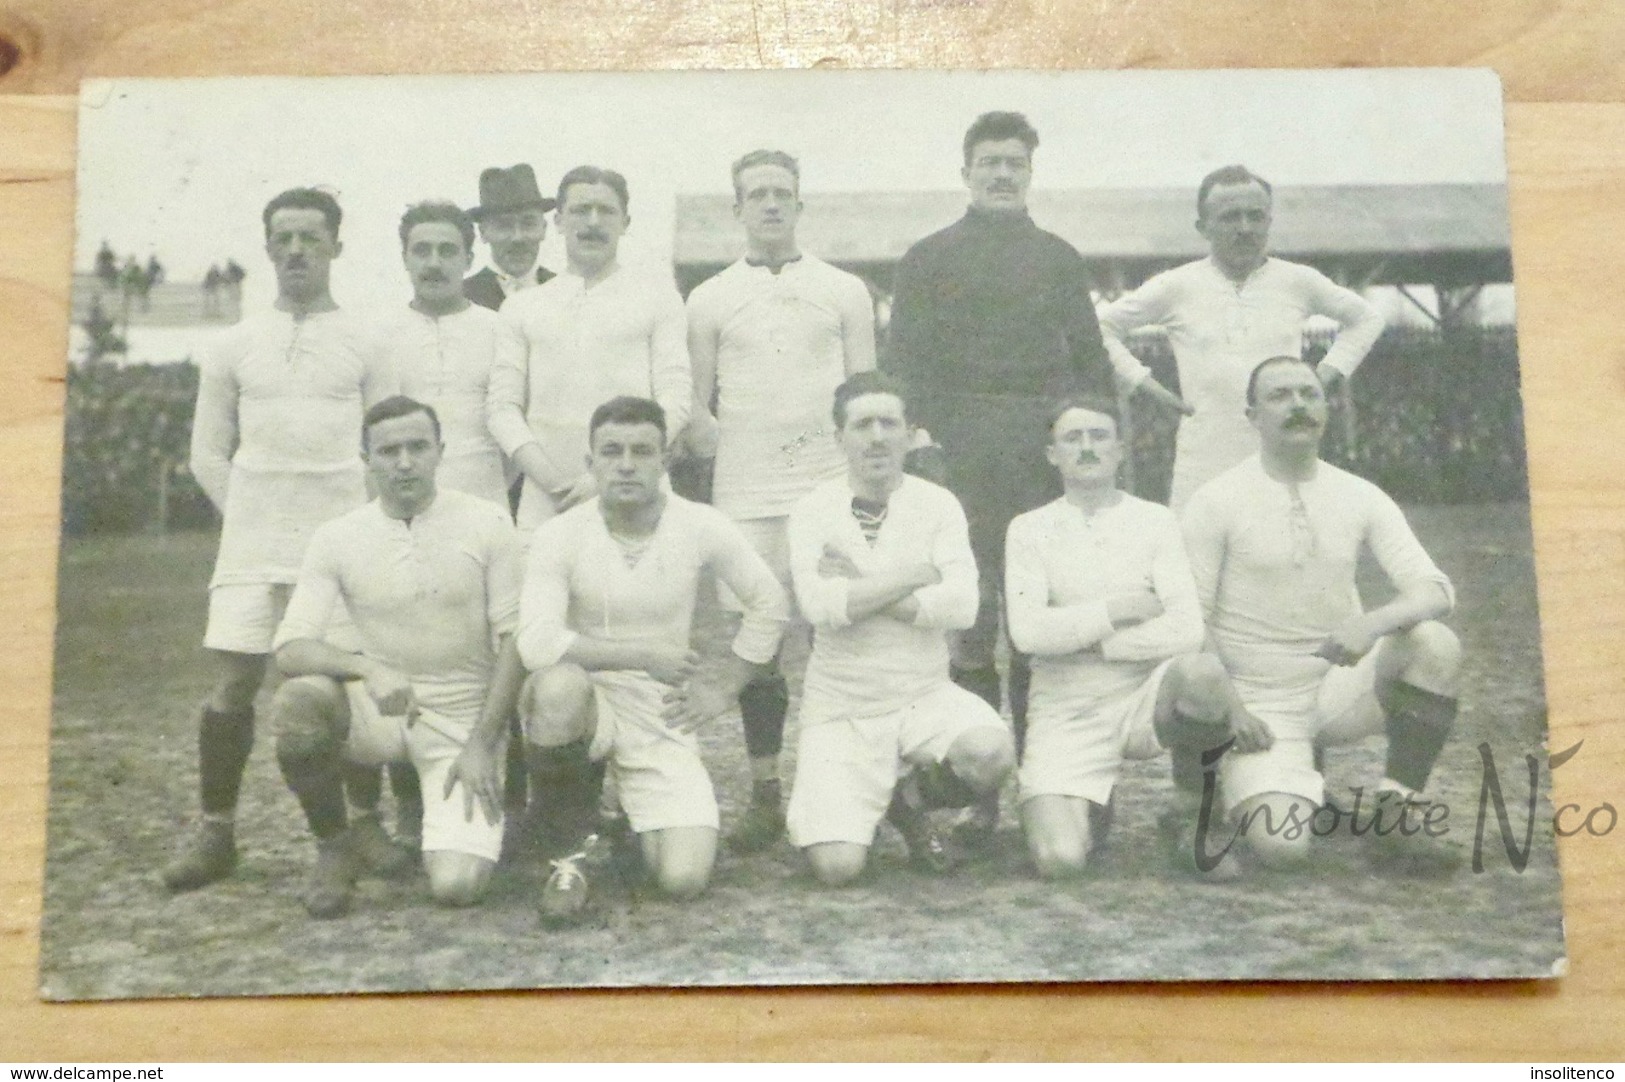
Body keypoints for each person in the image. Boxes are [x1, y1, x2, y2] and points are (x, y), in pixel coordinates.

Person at [166, 187, 403, 894]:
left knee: (334, 680)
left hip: (336, 543)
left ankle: (359, 823)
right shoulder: (233, 343)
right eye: (284, 238)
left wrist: (357, 533)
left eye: (311, 236)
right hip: (252, 543)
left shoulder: (369, 338)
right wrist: (252, 520)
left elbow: (383, 441)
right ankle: (216, 828)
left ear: (335, 245)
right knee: (236, 681)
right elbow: (208, 454)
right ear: (268, 247)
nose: (297, 249)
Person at [883, 111, 1118, 775]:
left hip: (1039, 459)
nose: (1002, 174)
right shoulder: (927, 257)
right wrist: (923, 450)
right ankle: (975, 785)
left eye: (1014, 163)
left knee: (1034, 623)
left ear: (1030, 174)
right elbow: (902, 363)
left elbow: (1090, 363)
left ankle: (1044, 770)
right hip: (957, 457)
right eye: (989, 163)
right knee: (970, 621)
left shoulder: (1058, 258)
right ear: (966, 173)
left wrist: (1090, 452)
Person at [1181, 356, 1463, 874]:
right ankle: (1239, 791)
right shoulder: (1216, 500)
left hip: (1340, 689)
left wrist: (1370, 624)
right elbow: (1190, 618)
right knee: (1280, 848)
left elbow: (1435, 588)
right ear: (1252, 416)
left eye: (1309, 394)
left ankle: (1396, 812)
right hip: (1260, 706)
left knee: (1434, 642)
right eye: (1280, 396)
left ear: (1326, 408)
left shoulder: (1359, 494)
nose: (1298, 407)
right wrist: (1232, 706)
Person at [515, 396, 788, 924]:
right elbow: (536, 643)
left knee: (682, 879)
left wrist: (726, 685)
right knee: (558, 688)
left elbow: (769, 602)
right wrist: (643, 655)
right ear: (589, 461)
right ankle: (569, 855)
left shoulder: (700, 524)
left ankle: (614, 830)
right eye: (611, 451)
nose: (626, 464)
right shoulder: (558, 535)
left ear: (665, 460)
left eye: (643, 451)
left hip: (656, 710)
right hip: (585, 701)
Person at [684, 149, 878, 852]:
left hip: (826, 490)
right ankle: (765, 791)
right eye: (755, 194)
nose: (769, 205)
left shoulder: (844, 290)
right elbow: (697, 411)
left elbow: (865, 397)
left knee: (842, 636)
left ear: (800, 205)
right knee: (759, 646)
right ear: (735, 209)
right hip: (746, 494)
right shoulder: (706, 298)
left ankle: (854, 786)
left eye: (782, 194)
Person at [270, 396, 524, 917]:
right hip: (381, 711)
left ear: (440, 452)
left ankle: (444, 822)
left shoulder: (488, 522)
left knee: (456, 886)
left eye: (417, 447)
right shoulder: (337, 537)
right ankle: (335, 845)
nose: (404, 462)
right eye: (388, 451)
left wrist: (482, 743)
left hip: (459, 722)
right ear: (366, 458)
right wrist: (368, 668)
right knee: (299, 702)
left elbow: (515, 642)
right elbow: (290, 648)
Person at [785, 372, 1015, 886]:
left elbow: (962, 606)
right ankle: (895, 805)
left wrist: (862, 588)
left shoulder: (939, 504)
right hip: (842, 706)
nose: (877, 437)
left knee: (990, 755)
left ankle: (909, 795)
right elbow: (820, 606)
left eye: (890, 423)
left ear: (911, 434)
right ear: (839, 436)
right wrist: (915, 576)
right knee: (837, 868)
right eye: (862, 424)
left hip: (923, 694)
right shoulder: (812, 510)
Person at [1005, 396, 1242, 879]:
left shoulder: (1155, 521)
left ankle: (1191, 817)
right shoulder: (1028, 529)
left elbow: (1186, 628)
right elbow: (1027, 633)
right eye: (1073, 438)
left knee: (1203, 673)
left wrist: (1093, 641)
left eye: (1099, 437)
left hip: (1143, 696)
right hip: (1066, 710)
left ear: (1119, 450)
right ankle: (1089, 805)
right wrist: (1115, 610)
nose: (1087, 448)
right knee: (1060, 861)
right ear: (1053, 454)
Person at [1099, 164, 1386, 511]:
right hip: (1203, 459)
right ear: (1203, 227)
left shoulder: (1298, 281)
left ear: (1269, 221)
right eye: (1230, 217)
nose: (1245, 228)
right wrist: (1146, 383)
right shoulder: (1175, 285)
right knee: (1194, 561)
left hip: (1282, 453)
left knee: (1283, 554)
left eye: (1255, 216)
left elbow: (1366, 319)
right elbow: (1101, 327)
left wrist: (1321, 377)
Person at [489, 166, 691, 533]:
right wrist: (557, 485)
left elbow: (675, 401)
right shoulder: (522, 307)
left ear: (625, 222)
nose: (593, 222)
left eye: (606, 211)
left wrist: (603, 481)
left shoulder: (659, 299)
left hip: (637, 497)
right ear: (559, 220)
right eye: (581, 210)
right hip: (548, 503)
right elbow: (503, 409)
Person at [383, 201, 522, 509]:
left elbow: (516, 428)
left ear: (468, 259)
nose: (434, 263)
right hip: (405, 505)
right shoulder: (381, 335)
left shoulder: (500, 329)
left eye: (447, 251)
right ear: (405, 258)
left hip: (484, 501)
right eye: (421, 251)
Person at [463, 164, 556, 311]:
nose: (517, 237)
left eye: (528, 224)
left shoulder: (566, 291)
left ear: (543, 228)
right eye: (504, 226)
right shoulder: (462, 297)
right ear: (483, 233)